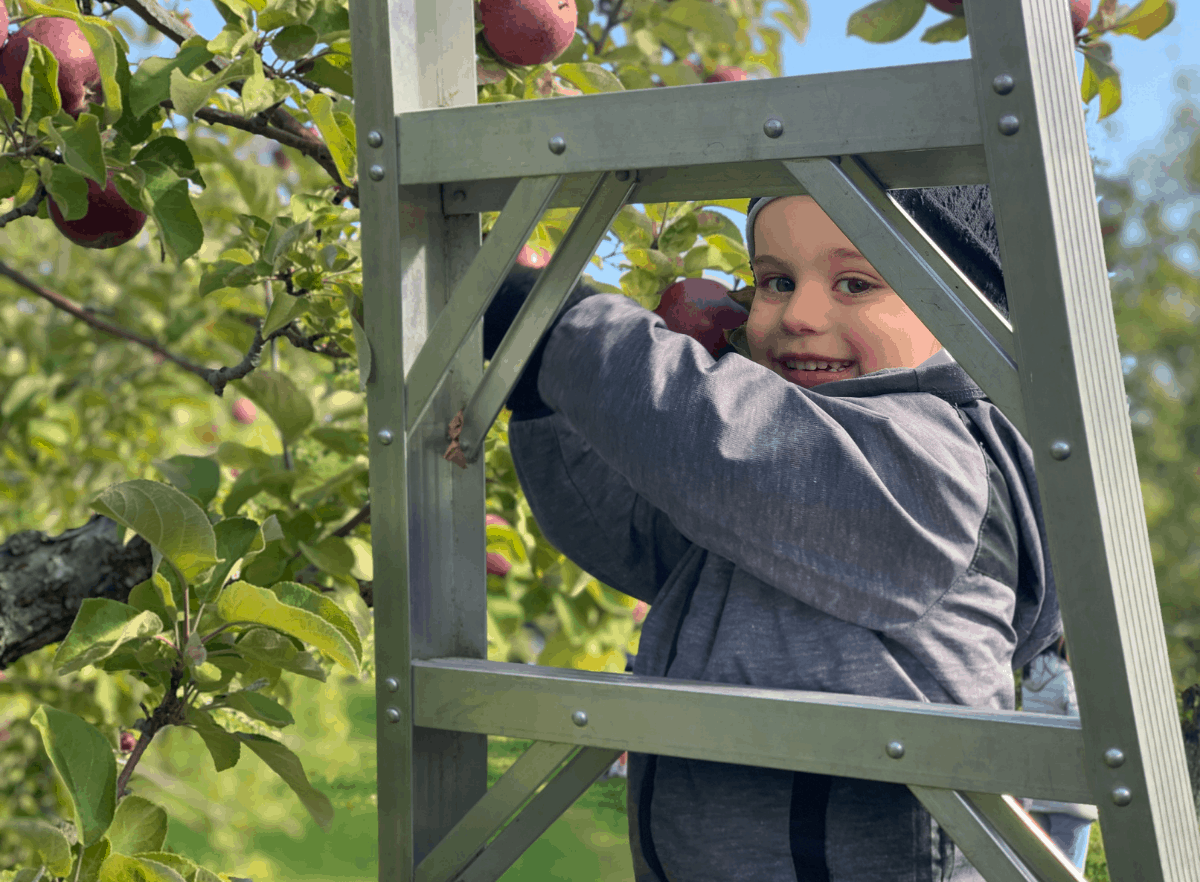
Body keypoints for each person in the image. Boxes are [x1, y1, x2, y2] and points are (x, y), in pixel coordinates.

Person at [482, 185, 1063, 881]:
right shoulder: (771, 499)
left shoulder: (933, 461)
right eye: (775, 281)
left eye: (856, 283)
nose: (800, 314)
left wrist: (560, 324)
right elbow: (631, 532)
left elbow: (720, 440)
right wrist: (541, 398)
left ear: (967, 314)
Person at [1021, 637, 1096, 870]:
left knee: (1036, 872)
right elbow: (1081, 724)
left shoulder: (1029, 676)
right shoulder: (1066, 676)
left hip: (1038, 792)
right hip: (1071, 794)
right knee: (1069, 873)